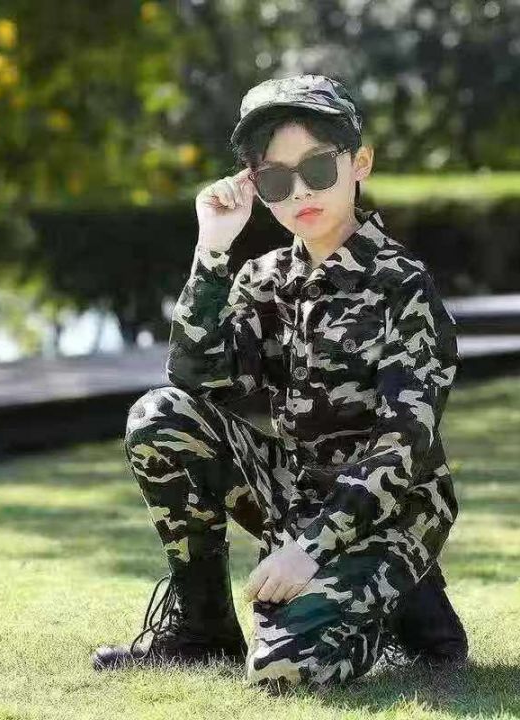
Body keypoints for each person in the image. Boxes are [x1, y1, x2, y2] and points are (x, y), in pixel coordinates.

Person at [91, 74, 467, 691]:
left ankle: (405, 606)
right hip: (296, 490)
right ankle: (201, 631)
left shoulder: (402, 285)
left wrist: (309, 550)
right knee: (159, 418)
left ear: (360, 163)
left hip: (393, 510)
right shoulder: (264, 279)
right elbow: (195, 381)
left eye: (318, 167)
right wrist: (212, 251)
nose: (300, 192)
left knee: (281, 670)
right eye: (275, 179)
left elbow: (403, 448)